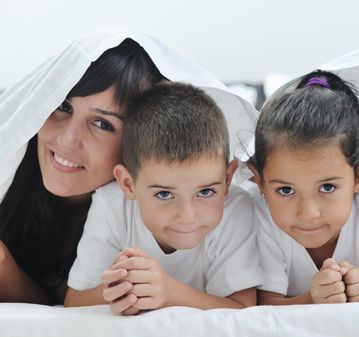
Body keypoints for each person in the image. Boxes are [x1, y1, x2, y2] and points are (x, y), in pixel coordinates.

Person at [0, 30, 259, 305]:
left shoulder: (175, 206)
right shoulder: (12, 168)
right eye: (63, 106)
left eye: (103, 124)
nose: (66, 139)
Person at [64, 82, 263, 314]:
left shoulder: (236, 209)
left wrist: (169, 293)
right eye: (164, 194)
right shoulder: (110, 206)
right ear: (128, 184)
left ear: (228, 179)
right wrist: (124, 289)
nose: (187, 217)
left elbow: (243, 310)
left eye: (206, 192)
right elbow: (74, 301)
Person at [248, 70, 359, 305]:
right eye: (285, 190)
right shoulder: (256, 213)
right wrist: (313, 299)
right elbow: (265, 305)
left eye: (327, 187)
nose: (308, 213)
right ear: (260, 182)